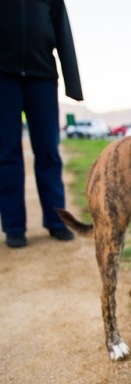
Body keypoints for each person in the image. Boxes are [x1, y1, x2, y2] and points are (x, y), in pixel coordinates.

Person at [0, 0, 84, 248]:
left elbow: (63, 33)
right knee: (7, 154)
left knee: (48, 151)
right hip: (3, 77)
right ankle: (14, 227)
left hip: (43, 77)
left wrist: (74, 85)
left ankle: (57, 221)